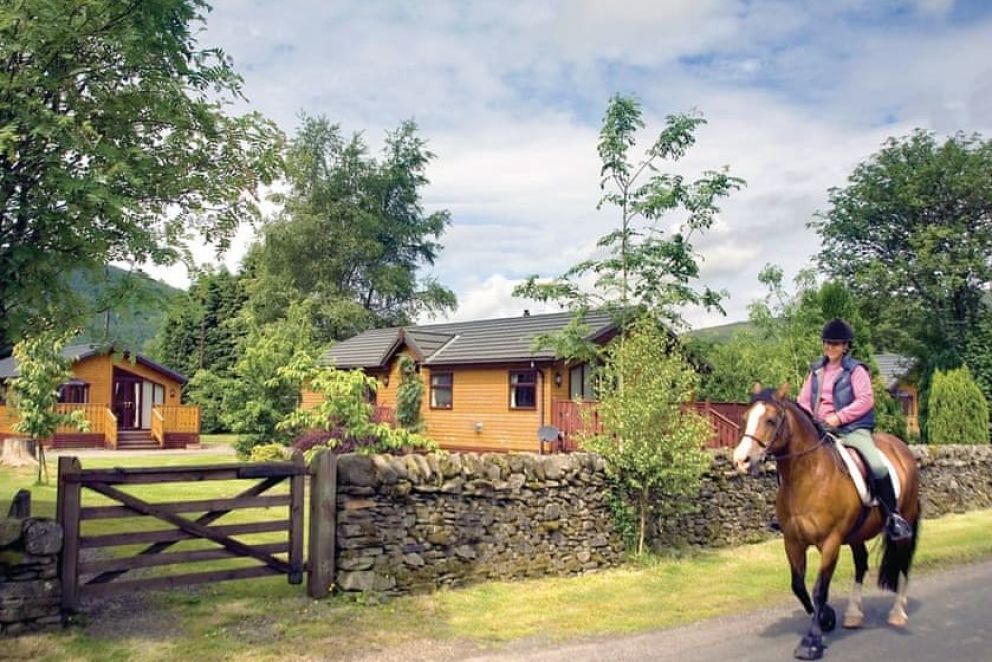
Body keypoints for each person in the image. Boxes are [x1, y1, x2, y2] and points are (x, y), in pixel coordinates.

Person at [792, 318, 913, 542]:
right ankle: (787, 516)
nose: (830, 347)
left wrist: (838, 418)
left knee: (876, 464)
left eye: (836, 344)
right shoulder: (816, 370)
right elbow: (803, 400)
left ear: (845, 346)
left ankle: (892, 516)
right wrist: (810, 418)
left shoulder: (856, 371)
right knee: (792, 463)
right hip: (820, 430)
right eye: (827, 343)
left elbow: (865, 401)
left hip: (852, 429)